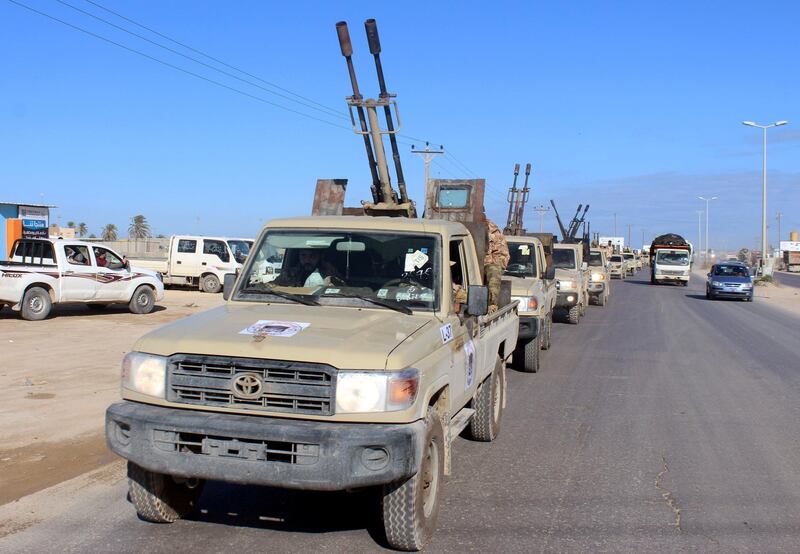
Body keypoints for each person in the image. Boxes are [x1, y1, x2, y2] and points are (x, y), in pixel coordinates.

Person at [483, 214, 510, 313]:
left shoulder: (491, 228)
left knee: (494, 271)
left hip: (487, 264)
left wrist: (490, 263)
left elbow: (502, 254)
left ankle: (492, 304)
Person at [273, 248, 339, 287]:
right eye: (303, 255)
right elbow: (271, 287)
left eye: (312, 256)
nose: (307, 260)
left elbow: (344, 289)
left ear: (320, 256)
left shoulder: (329, 273)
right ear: (299, 256)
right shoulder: (289, 274)